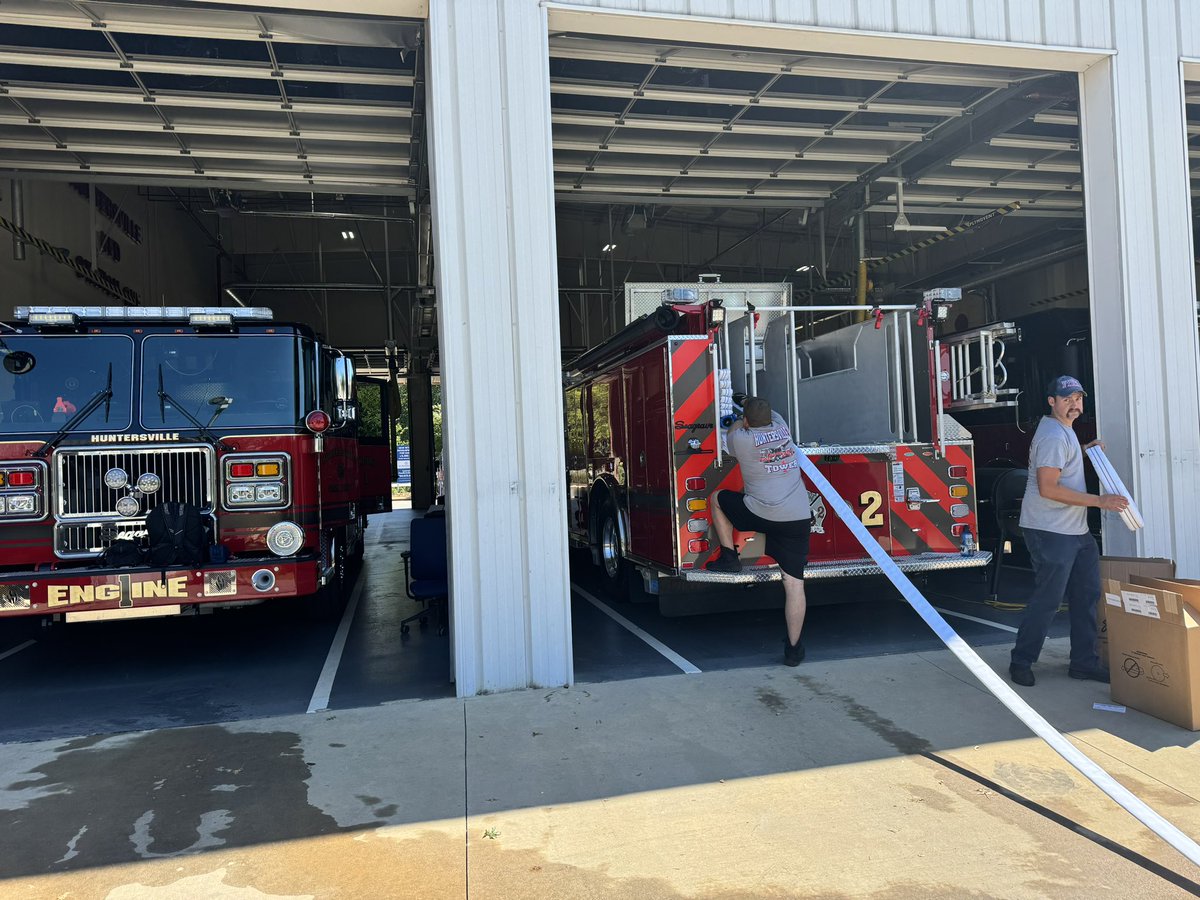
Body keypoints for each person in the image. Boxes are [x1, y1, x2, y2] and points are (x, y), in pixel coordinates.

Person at [1009, 375, 1129, 687]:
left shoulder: (1065, 431)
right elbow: (1048, 488)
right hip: (1051, 531)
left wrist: (1086, 449)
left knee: (1087, 594)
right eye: (1066, 399)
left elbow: (1064, 464)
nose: (1074, 404)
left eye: (1078, 398)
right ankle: (1021, 660)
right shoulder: (1052, 436)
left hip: (1075, 531)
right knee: (1048, 599)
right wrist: (1100, 501)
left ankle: (1084, 663)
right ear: (1052, 401)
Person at [706, 396, 812, 667]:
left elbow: (730, 431)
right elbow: (771, 412)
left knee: (717, 498)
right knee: (794, 584)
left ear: (746, 421)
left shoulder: (742, 438)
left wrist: (735, 416)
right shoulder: (782, 426)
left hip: (761, 512)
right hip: (797, 516)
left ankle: (730, 557)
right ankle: (794, 650)